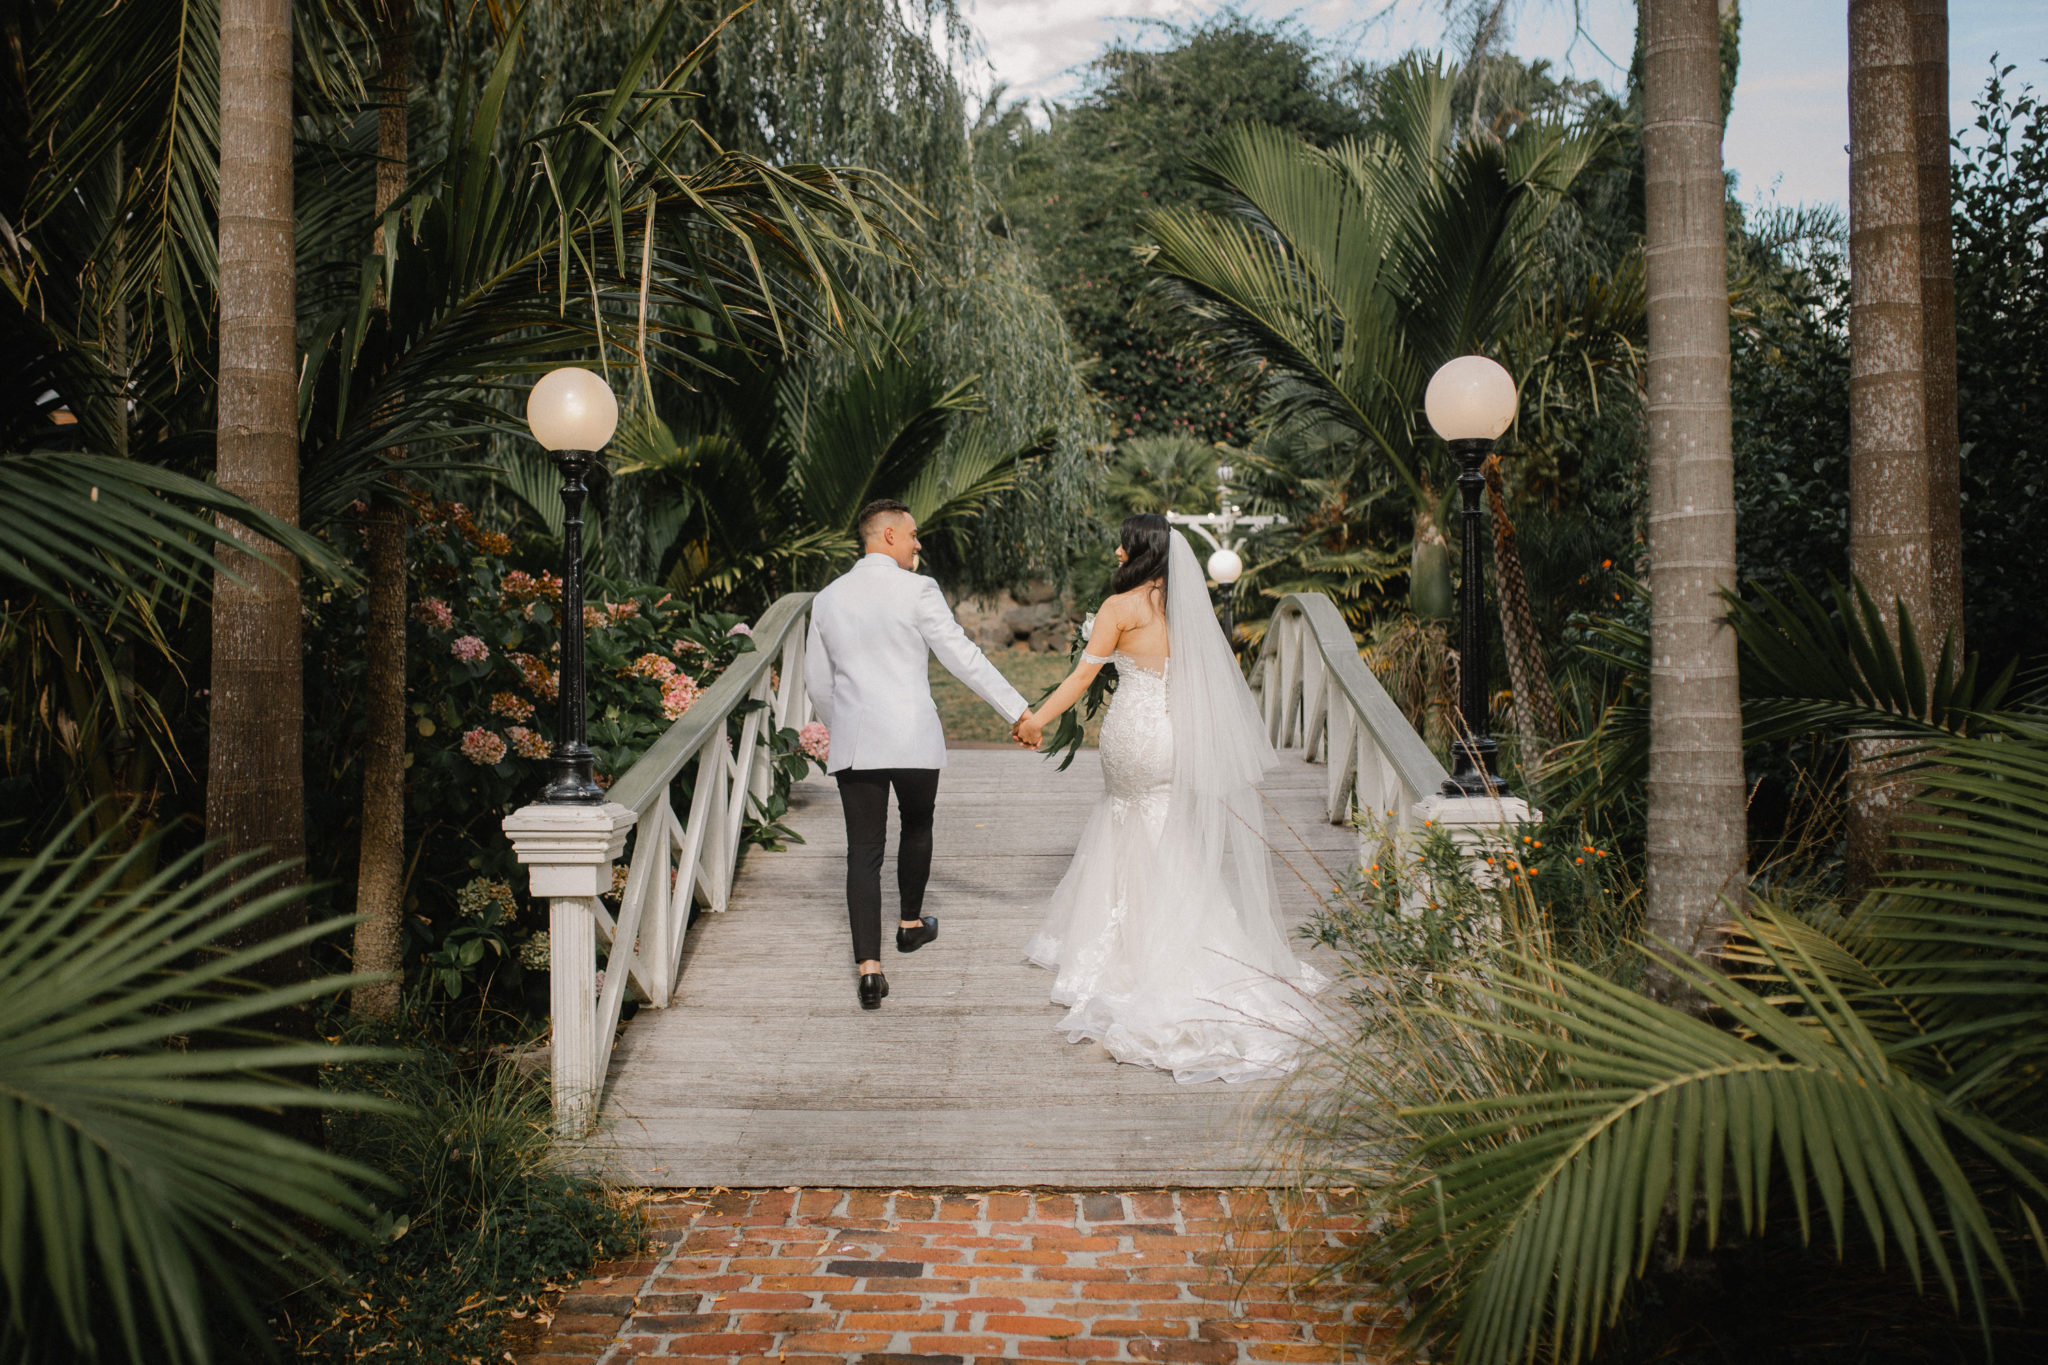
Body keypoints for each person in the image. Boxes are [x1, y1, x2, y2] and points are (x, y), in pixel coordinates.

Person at [1018, 514, 1322, 1082]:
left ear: (1141, 550)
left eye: (1123, 541)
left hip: (1133, 736)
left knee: (1126, 817)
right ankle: (1182, 924)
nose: (1116, 547)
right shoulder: (1188, 613)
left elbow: (1083, 679)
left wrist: (1037, 720)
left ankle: (1134, 942)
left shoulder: (1118, 610)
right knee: (1166, 828)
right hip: (1172, 737)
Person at [804, 499, 1043, 1010]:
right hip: (912, 736)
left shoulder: (826, 598)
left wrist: (842, 722)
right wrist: (1017, 711)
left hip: (857, 740)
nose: (918, 544)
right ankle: (910, 925)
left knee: (862, 851)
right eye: (912, 535)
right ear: (887, 535)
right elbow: (962, 656)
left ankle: (870, 969)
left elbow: (818, 681)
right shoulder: (918, 590)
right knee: (917, 823)